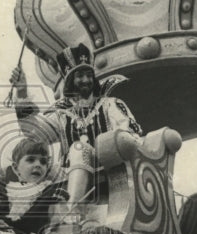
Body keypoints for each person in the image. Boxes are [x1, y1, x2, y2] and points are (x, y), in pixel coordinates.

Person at [9, 43, 142, 213]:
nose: (85, 80)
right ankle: (70, 209)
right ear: (70, 81)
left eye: (88, 75)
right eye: (79, 76)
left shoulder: (111, 105)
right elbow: (34, 134)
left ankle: (71, 210)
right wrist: (21, 93)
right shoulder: (61, 115)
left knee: (79, 148)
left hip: (112, 178)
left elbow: (132, 139)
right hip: (71, 183)